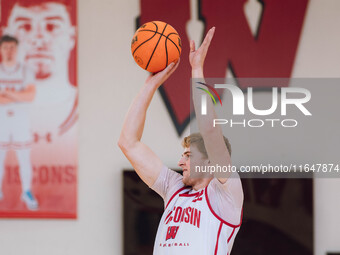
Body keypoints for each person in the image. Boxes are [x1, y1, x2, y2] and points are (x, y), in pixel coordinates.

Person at [118, 27, 243, 254]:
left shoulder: (225, 196)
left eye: (188, 155)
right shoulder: (174, 188)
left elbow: (210, 131)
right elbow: (128, 142)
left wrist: (197, 70)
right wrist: (150, 85)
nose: (181, 161)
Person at [2, 0, 78, 138]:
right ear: (7, 34)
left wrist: (9, 94)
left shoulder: (80, 107)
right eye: (25, 27)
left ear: (71, 37)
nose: (38, 39)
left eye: (51, 27)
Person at [0, 35, 38, 210]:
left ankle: (27, 191)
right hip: (2, 121)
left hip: (20, 121)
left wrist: (7, 94)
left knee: (24, 158)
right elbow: (23, 95)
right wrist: (18, 95)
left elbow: (30, 96)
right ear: (1, 49)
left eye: (12, 47)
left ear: (17, 49)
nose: (9, 51)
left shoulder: (25, 70)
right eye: (6, 47)